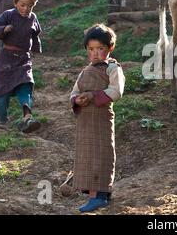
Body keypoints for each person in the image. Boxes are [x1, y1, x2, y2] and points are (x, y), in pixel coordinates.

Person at [70, 24, 125, 213]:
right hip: (85, 122)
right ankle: (94, 196)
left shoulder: (112, 68)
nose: (95, 54)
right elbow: (75, 92)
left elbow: (116, 91)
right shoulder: (85, 71)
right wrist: (78, 99)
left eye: (100, 49)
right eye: (91, 49)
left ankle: (101, 197)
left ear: (110, 48)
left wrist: (93, 96)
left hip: (101, 119)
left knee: (101, 155)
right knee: (86, 157)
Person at [0, 0, 42, 133]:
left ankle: (27, 118)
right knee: (3, 92)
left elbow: (35, 34)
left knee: (26, 85)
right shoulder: (8, 15)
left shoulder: (33, 18)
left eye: (29, 6)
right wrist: (4, 29)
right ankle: (2, 120)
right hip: (6, 59)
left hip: (24, 59)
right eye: (22, 5)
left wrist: (36, 48)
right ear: (16, 3)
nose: (26, 9)